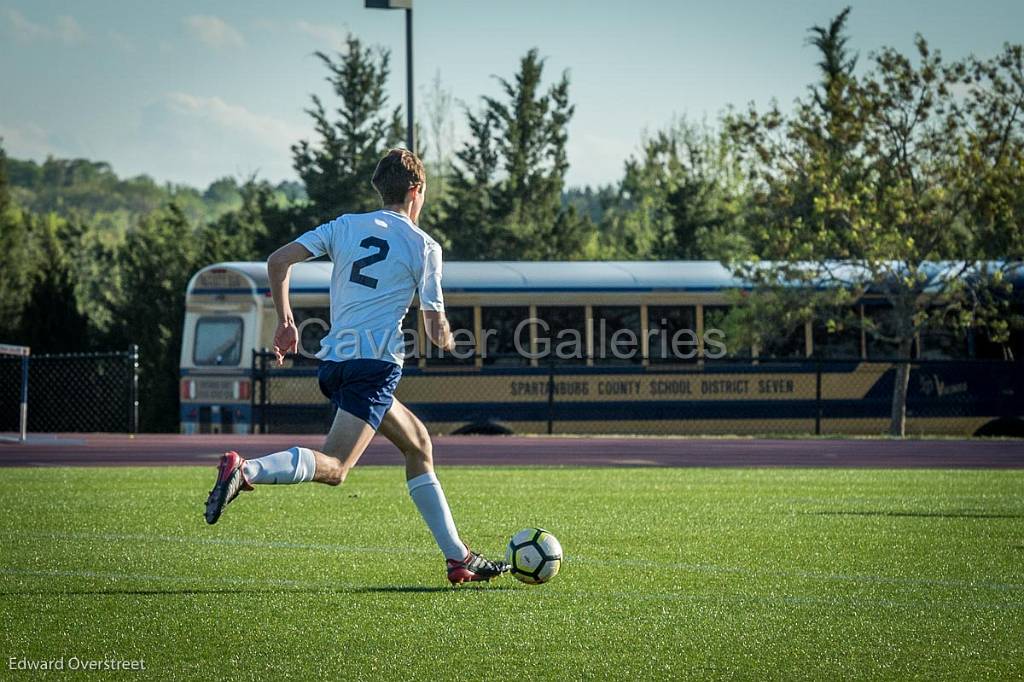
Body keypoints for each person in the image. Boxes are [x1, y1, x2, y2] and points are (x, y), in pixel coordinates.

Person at [203, 148, 509, 585]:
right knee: (336, 468)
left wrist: (286, 322)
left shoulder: (345, 226)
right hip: (375, 366)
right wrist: (454, 340)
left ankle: (458, 557)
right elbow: (435, 324)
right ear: (416, 191)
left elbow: (277, 261)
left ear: (378, 190)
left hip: (334, 362)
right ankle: (245, 469)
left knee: (418, 444)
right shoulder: (424, 245)